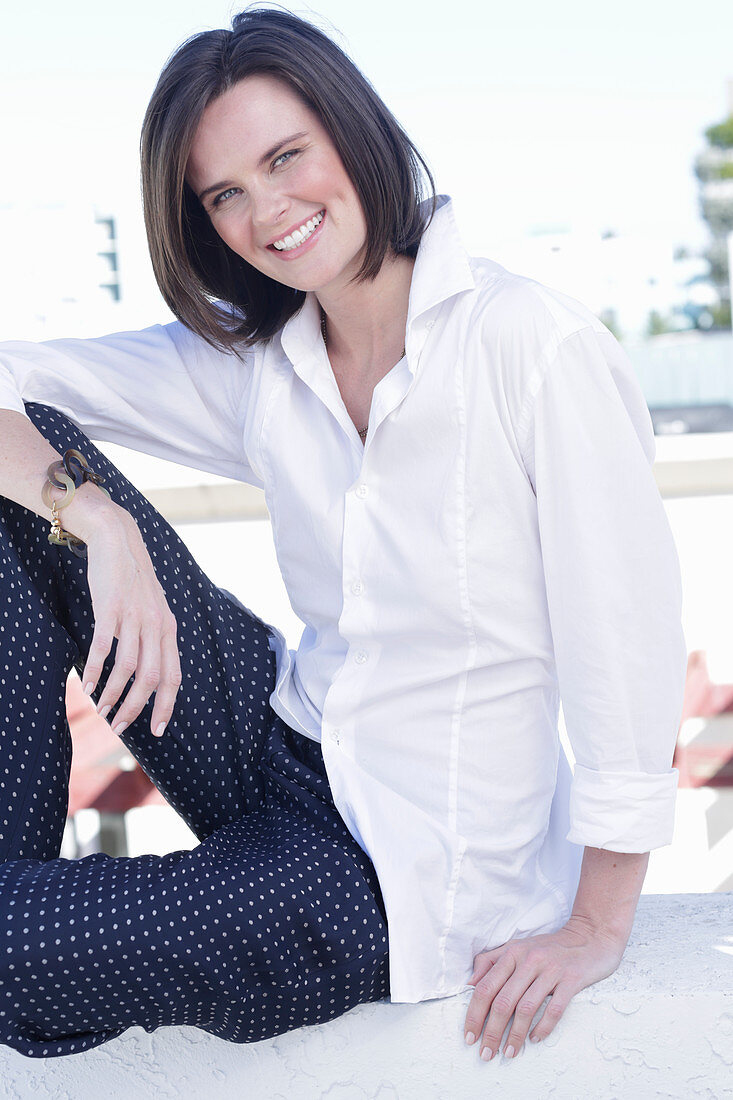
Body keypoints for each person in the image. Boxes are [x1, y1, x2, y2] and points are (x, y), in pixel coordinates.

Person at [0, 4, 687, 1063]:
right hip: (274, 742)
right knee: (32, 466)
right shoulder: (259, 360)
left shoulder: (531, 347)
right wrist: (94, 521)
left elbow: (624, 646)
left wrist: (596, 923)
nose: (268, 211)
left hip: (390, 875)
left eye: (286, 158)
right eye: (226, 193)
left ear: (352, 129)